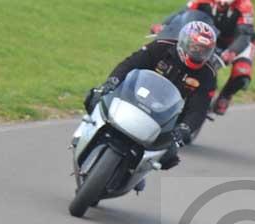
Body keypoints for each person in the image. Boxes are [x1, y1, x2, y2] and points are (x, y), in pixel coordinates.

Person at [84, 21, 218, 189]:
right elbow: (130, 64)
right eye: (195, 47)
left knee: (169, 156)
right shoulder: (161, 47)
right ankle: (87, 134)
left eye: (204, 50)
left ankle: (139, 169)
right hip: (136, 96)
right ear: (184, 42)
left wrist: (184, 129)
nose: (198, 52)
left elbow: (199, 109)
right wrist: (111, 82)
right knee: (94, 98)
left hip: (168, 115)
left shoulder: (208, 74)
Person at [152, 0, 255, 115]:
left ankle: (225, 96)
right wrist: (164, 25)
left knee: (242, 72)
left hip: (237, 42)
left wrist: (232, 51)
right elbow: (183, 13)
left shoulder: (245, 6)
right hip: (210, 38)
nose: (222, 3)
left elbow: (244, 34)